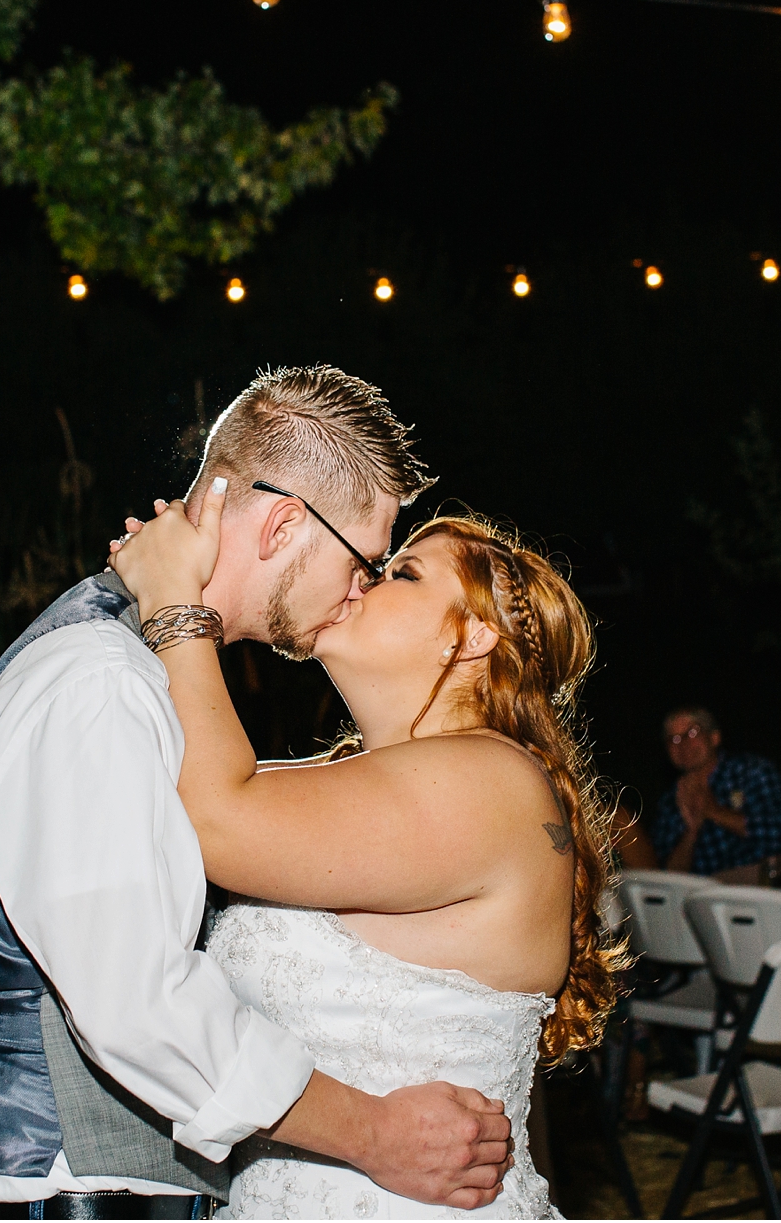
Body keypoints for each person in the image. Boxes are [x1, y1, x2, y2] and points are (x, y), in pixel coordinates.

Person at [0, 364, 518, 1217]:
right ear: (281, 524)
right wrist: (376, 1135)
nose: (359, 590)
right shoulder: (101, 681)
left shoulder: (138, 664)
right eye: (365, 560)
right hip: (61, 1190)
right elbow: (135, 1000)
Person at [110, 489, 620, 1218]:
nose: (360, 578)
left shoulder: (489, 782)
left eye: (401, 573)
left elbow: (216, 817)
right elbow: (188, 788)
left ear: (471, 636)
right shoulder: (363, 782)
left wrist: (174, 601)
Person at [646, 706, 781, 876]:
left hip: (764, 885)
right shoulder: (671, 800)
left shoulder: (751, 772)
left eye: (692, 733)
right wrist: (691, 831)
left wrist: (713, 811)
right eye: (673, 739)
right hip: (708, 896)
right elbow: (667, 876)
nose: (683, 743)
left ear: (714, 737)